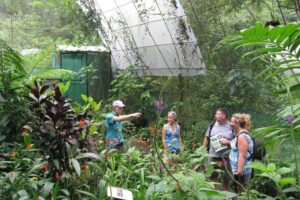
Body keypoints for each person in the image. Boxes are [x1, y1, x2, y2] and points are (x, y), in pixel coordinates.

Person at [202, 108, 234, 190]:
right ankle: (212, 193)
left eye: (218, 114)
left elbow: (237, 141)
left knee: (226, 178)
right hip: (213, 155)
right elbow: (206, 138)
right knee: (212, 176)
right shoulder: (212, 125)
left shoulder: (231, 126)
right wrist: (203, 151)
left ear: (223, 116)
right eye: (216, 114)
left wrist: (228, 141)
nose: (216, 115)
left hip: (226, 157)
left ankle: (227, 195)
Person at [229, 113, 254, 193]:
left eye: (232, 122)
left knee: (242, 188)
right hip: (239, 167)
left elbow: (242, 155)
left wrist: (240, 170)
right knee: (239, 187)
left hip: (242, 169)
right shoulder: (240, 133)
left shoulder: (242, 136)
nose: (230, 124)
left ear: (237, 123)